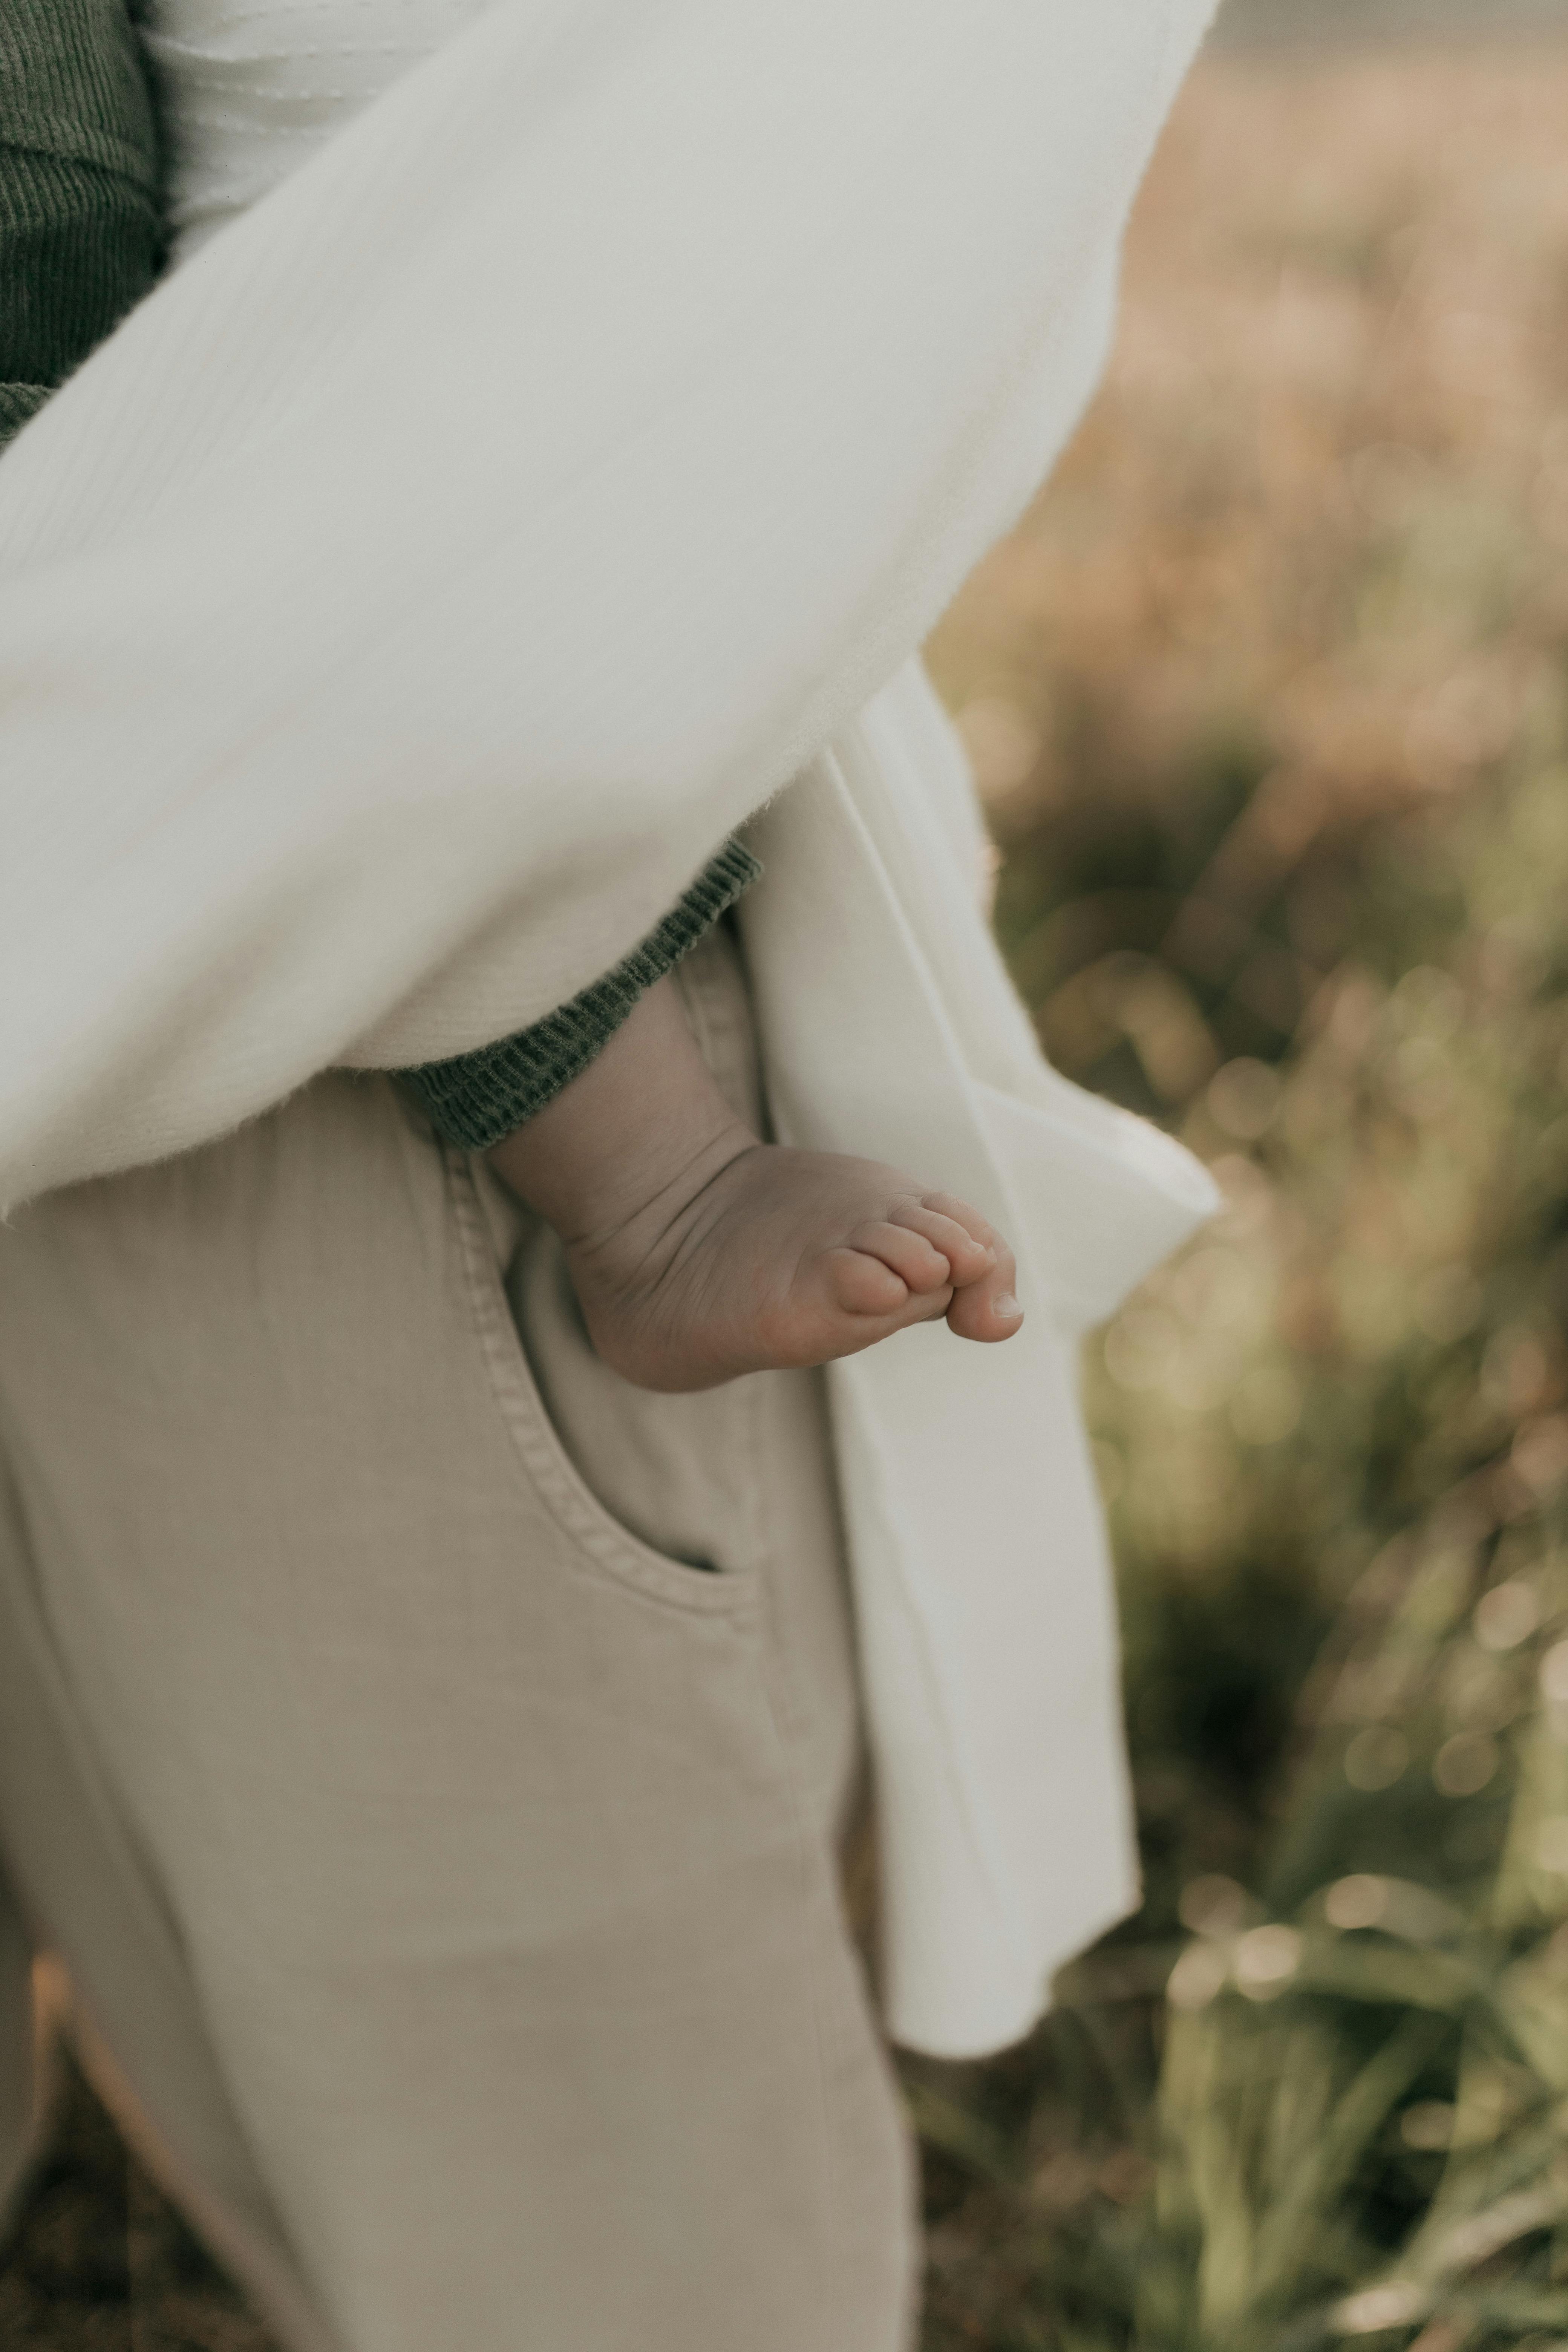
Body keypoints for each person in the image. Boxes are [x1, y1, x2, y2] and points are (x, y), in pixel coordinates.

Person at [0, 0, 1220, 2345]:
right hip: (283, 830)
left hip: (307, 779)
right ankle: (629, 1160)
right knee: (519, 2146)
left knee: (507, 2124)